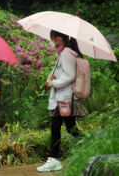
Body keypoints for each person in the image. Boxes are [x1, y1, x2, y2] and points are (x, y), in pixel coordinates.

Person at [37, 30, 87, 172]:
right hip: (63, 98)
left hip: (64, 99)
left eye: (53, 39)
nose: (52, 42)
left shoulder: (66, 53)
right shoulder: (65, 53)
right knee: (70, 128)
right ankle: (93, 145)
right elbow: (65, 74)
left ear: (59, 39)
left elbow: (70, 76)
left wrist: (54, 83)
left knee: (56, 128)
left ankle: (54, 160)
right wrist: (52, 77)